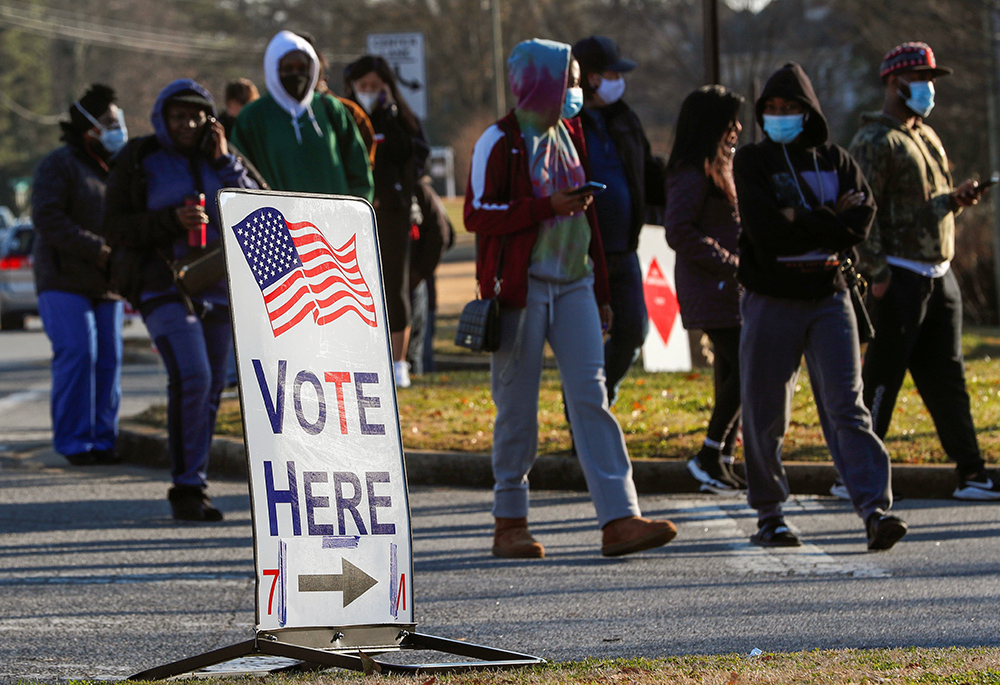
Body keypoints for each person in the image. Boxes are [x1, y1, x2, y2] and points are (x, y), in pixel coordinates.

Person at [465, 38, 677, 559]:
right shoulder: (499, 140)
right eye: (571, 79)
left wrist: (601, 289)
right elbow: (477, 214)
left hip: (576, 282)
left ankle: (619, 518)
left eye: (578, 80)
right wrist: (544, 207)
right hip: (522, 288)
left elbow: (588, 223)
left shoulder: (571, 132)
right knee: (517, 405)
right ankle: (509, 520)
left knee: (592, 396)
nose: (578, 90)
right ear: (539, 82)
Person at [733, 62, 907, 551]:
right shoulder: (752, 162)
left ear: (809, 112)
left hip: (830, 297)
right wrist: (832, 217)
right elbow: (765, 233)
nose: (780, 115)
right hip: (771, 299)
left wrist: (807, 221)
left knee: (847, 408)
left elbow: (862, 221)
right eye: (771, 108)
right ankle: (770, 515)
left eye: (790, 108)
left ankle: (875, 510)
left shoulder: (836, 158)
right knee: (766, 412)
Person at [848, 42, 999, 501]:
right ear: (894, 83)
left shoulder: (926, 136)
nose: (929, 89)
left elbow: (924, 200)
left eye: (932, 80)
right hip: (897, 274)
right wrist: (875, 272)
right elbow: (861, 210)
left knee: (947, 376)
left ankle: (971, 472)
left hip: (938, 273)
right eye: (921, 80)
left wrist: (956, 199)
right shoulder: (874, 141)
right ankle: (855, 474)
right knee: (882, 378)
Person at [104, 79, 259, 521]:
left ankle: (194, 485)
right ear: (161, 118)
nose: (187, 123)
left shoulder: (222, 158)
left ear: (209, 119)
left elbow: (257, 210)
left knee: (210, 385)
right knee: (193, 374)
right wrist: (171, 221)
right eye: (177, 116)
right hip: (161, 284)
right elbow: (114, 226)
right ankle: (186, 486)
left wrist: (225, 159)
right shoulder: (139, 159)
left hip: (218, 287)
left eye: (196, 115)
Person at [32, 84, 126, 466]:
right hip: (63, 280)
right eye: (109, 122)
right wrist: (97, 248)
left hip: (108, 285)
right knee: (78, 353)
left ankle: (103, 440)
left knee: (109, 359)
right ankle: (74, 442)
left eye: (118, 120)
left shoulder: (119, 169)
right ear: (89, 128)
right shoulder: (60, 164)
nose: (118, 128)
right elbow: (47, 218)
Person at [571, 35, 664, 405]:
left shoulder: (625, 117)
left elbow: (646, 171)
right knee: (585, 343)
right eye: (611, 73)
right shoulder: (568, 121)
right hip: (584, 254)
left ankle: (599, 398)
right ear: (592, 78)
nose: (618, 81)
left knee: (633, 331)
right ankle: (582, 418)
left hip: (625, 250)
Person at [663, 85, 744, 494]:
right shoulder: (691, 171)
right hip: (711, 287)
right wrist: (730, 263)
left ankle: (722, 459)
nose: (738, 128)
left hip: (728, 288)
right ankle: (709, 456)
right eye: (731, 120)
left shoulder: (721, 165)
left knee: (734, 371)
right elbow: (679, 230)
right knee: (750, 366)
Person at [344, 55, 431, 388]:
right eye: (361, 86)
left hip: (393, 215)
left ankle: (398, 363)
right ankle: (362, 357)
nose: (367, 92)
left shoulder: (399, 117)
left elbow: (415, 153)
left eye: (374, 87)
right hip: (356, 213)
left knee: (395, 287)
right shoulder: (343, 115)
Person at [229, 30, 373, 200]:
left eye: (302, 68)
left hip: (334, 221)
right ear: (274, 68)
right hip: (281, 222)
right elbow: (239, 176)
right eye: (288, 68)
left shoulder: (331, 109)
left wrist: (355, 211)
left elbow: (358, 170)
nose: (296, 75)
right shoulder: (253, 117)